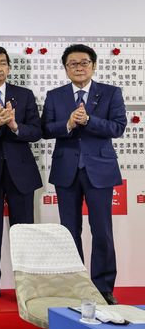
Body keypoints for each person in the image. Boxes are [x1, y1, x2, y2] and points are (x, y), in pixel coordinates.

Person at [42, 44, 126, 305]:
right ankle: (74, 285)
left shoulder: (111, 93)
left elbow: (118, 127)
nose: (79, 67)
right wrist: (68, 124)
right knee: (69, 231)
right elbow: (45, 128)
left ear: (94, 65)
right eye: (72, 64)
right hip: (66, 170)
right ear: (65, 68)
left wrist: (89, 120)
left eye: (84, 62)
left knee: (102, 230)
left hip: (99, 170)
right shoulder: (55, 95)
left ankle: (102, 287)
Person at [0, 47, 42, 303]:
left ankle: (27, 286)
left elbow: (37, 131)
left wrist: (14, 126)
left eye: (3, 63)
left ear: (9, 68)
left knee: (24, 231)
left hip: (20, 172)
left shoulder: (23, 95)